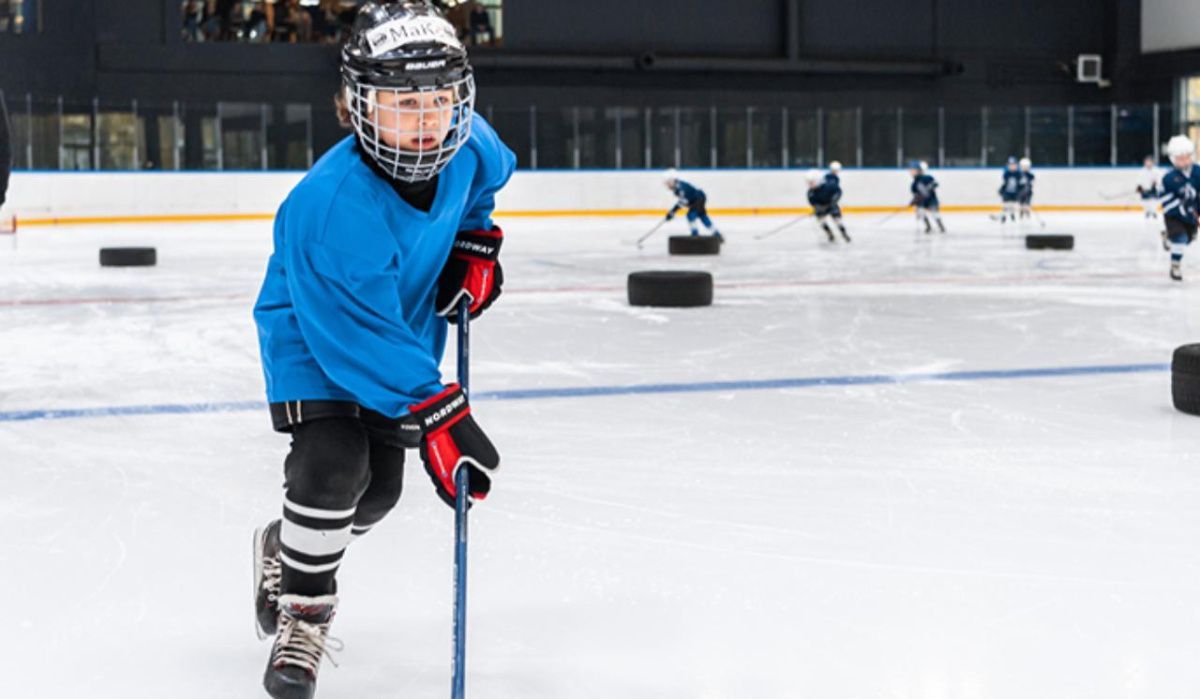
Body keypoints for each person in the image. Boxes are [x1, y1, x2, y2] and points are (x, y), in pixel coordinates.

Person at [250, 3, 516, 697]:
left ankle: (289, 547)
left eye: (438, 99)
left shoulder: (469, 146)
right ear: (355, 106)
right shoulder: (329, 206)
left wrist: (475, 240)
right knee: (332, 467)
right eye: (402, 102)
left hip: (395, 334)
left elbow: (485, 182)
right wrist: (437, 410)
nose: (426, 117)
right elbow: (353, 335)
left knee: (379, 493)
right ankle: (303, 617)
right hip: (315, 333)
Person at [1160, 135, 1200, 281]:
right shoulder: (1168, 177)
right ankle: (1175, 265)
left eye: (1187, 157)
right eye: (1180, 158)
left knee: (1189, 239)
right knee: (1180, 239)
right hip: (1174, 216)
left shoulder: (1197, 172)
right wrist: (1181, 208)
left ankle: (1168, 238)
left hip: (1192, 215)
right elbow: (1165, 200)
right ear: (1173, 159)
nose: (1185, 161)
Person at [663, 169, 722, 242]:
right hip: (697, 199)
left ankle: (695, 234)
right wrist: (672, 212)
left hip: (698, 199)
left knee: (690, 215)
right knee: (702, 216)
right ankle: (717, 234)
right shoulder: (677, 188)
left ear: (672, 180)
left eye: (668, 182)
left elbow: (683, 202)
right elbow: (683, 201)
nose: (667, 185)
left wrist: (672, 212)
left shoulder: (680, 188)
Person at [806, 169, 849, 243]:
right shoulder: (811, 192)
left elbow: (838, 191)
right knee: (821, 220)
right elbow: (812, 201)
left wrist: (834, 200)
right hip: (821, 208)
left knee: (837, 220)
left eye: (812, 182)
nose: (810, 184)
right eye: (809, 183)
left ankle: (844, 233)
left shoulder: (829, 186)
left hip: (832, 205)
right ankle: (830, 234)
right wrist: (817, 207)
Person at [908, 160, 945, 234]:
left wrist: (929, 188)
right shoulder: (913, 184)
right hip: (922, 202)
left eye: (913, 170)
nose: (911, 172)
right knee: (920, 211)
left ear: (919, 170)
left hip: (932, 200)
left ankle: (941, 226)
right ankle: (928, 226)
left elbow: (935, 184)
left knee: (935, 213)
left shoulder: (927, 177)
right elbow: (916, 195)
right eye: (910, 170)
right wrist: (914, 201)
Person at [998, 156, 1020, 224]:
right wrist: (1001, 190)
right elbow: (1005, 183)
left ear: (1016, 165)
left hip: (1015, 192)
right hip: (1007, 192)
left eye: (1014, 165)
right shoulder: (1006, 173)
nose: (1012, 166)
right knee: (1005, 205)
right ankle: (1003, 216)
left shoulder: (1018, 174)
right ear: (1008, 165)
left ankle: (1012, 214)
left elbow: (1021, 183)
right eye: (1010, 165)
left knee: (1012, 205)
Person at [1017, 156, 1035, 221]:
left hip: (1028, 192)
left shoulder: (1030, 175)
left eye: (1027, 166)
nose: (1025, 168)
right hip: (1020, 192)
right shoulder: (1019, 175)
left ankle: (1027, 213)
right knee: (1021, 204)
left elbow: (1032, 183)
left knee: (1027, 204)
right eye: (1024, 166)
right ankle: (1021, 214)